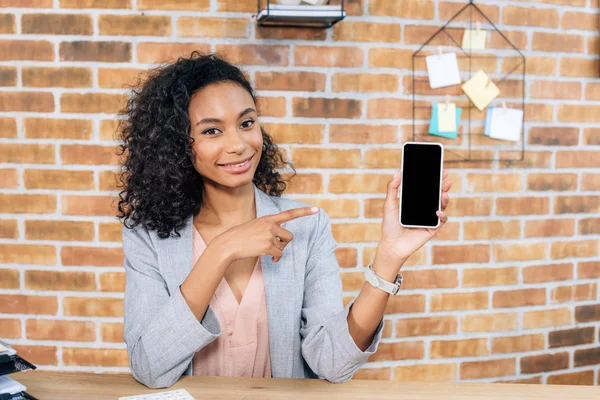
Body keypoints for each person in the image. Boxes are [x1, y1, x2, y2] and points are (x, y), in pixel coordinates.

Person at [117, 52, 452, 389]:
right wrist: (222, 250)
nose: (238, 144)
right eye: (212, 131)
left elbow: (332, 363)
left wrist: (389, 258)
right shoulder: (147, 236)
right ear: (177, 145)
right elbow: (149, 367)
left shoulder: (306, 225)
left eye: (247, 123)